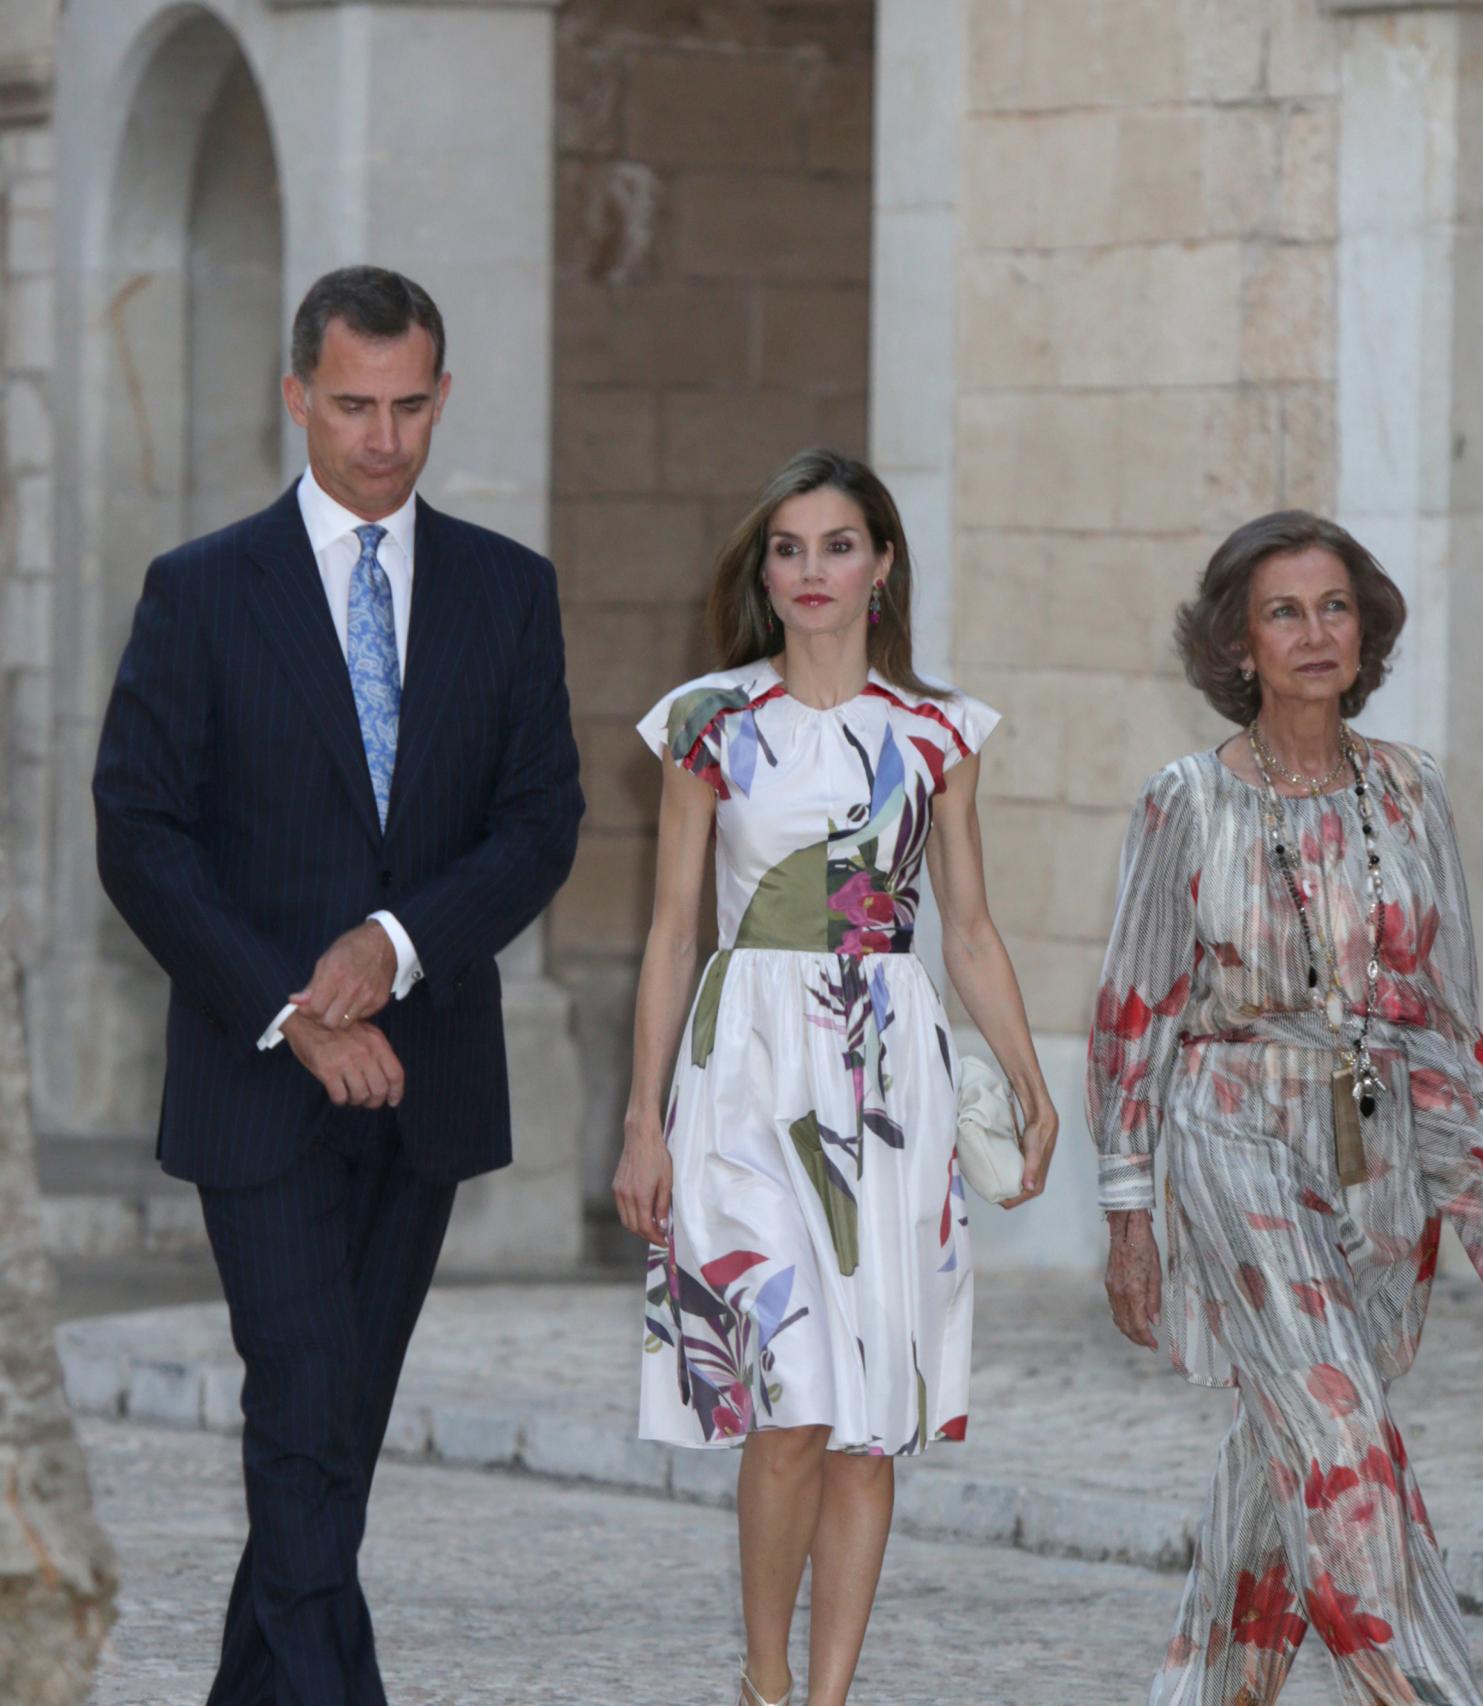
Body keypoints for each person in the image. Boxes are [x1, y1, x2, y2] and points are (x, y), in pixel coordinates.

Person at [93, 266, 584, 1706]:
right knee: (305, 1400)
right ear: (297, 394)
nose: (382, 437)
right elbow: (140, 833)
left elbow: (539, 820)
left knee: (333, 1435)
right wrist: (298, 1008)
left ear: (442, 397)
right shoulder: (198, 591)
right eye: (354, 404)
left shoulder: (508, 588)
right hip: (257, 1078)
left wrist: (395, 944)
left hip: (427, 1080)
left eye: (410, 405)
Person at [1089, 511, 1483, 1705]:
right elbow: (1130, 1014)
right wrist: (1126, 1208)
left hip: (1385, 1150)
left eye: (1333, 607)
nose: (1314, 633)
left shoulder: (1411, 791)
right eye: (1282, 611)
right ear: (1236, 643)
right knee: (1335, 1434)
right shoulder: (1185, 802)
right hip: (1229, 1129)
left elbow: (1449, 1025)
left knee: (1286, 1455)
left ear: (1363, 628)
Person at [614, 447, 1059, 1706]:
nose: (810, 570)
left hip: (889, 1076)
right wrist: (642, 1118)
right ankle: (762, 1683)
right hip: (745, 1069)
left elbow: (965, 927)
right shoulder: (707, 720)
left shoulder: (939, 732)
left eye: (836, 544)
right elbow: (667, 930)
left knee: (870, 1413)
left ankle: (827, 1697)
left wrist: (1029, 1082)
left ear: (883, 563)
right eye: (787, 548)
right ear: (765, 569)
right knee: (790, 1395)